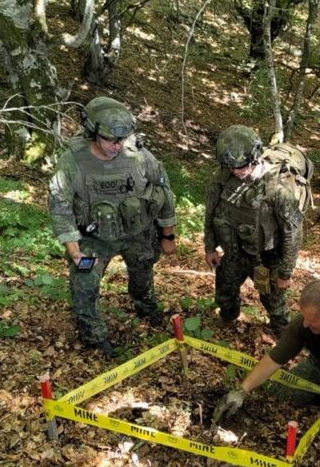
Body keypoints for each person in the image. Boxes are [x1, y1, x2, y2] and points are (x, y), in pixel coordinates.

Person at [48, 97, 177, 357]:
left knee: (142, 275)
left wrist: (168, 234)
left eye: (122, 140)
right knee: (83, 283)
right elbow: (59, 205)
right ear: (93, 133)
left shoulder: (138, 153)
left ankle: (147, 309)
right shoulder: (73, 161)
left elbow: (164, 191)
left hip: (137, 232)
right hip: (93, 236)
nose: (117, 146)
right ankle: (94, 336)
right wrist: (74, 250)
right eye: (111, 140)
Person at [213, 279, 320, 428]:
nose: (306, 324)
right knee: (278, 398)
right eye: (304, 318)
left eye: (312, 321)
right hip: (318, 371)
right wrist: (242, 391)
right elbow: (274, 359)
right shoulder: (302, 324)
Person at [203, 125, 306, 336]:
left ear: (254, 157)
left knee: (273, 301)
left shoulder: (276, 189)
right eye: (231, 167)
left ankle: (283, 333)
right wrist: (210, 247)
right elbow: (211, 212)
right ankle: (228, 318)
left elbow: (293, 233)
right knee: (225, 292)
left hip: (266, 259)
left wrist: (285, 272)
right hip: (234, 252)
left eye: (240, 166)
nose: (236, 171)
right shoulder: (223, 178)